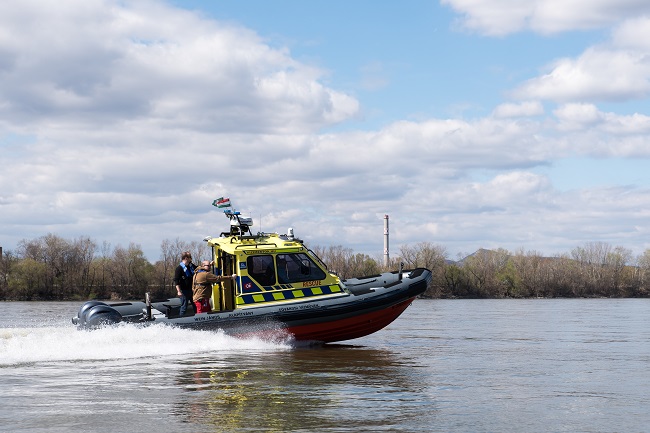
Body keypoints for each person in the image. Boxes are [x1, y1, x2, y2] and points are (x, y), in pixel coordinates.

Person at [174, 251, 196, 316]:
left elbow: (198, 268)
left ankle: (197, 317)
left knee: (195, 304)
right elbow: (176, 280)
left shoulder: (191, 266)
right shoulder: (179, 268)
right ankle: (181, 318)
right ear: (186, 258)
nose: (191, 259)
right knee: (184, 306)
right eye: (190, 257)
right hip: (184, 291)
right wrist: (179, 291)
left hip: (192, 289)